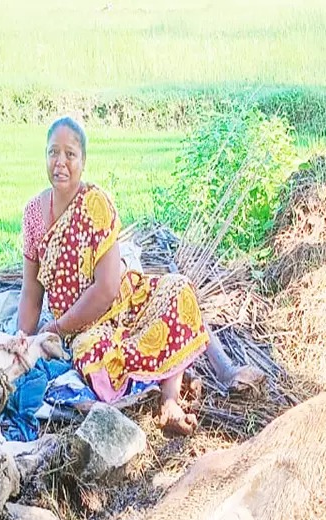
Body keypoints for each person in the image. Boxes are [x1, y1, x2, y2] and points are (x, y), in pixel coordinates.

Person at [17, 116, 261, 435]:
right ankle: (169, 372)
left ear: (83, 161)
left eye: (70, 154)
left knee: (179, 291)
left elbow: (106, 289)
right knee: (94, 358)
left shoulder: (96, 204)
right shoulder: (34, 214)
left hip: (124, 302)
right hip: (83, 325)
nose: (60, 162)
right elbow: (31, 293)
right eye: (52, 153)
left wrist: (55, 326)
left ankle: (169, 400)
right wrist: (22, 340)